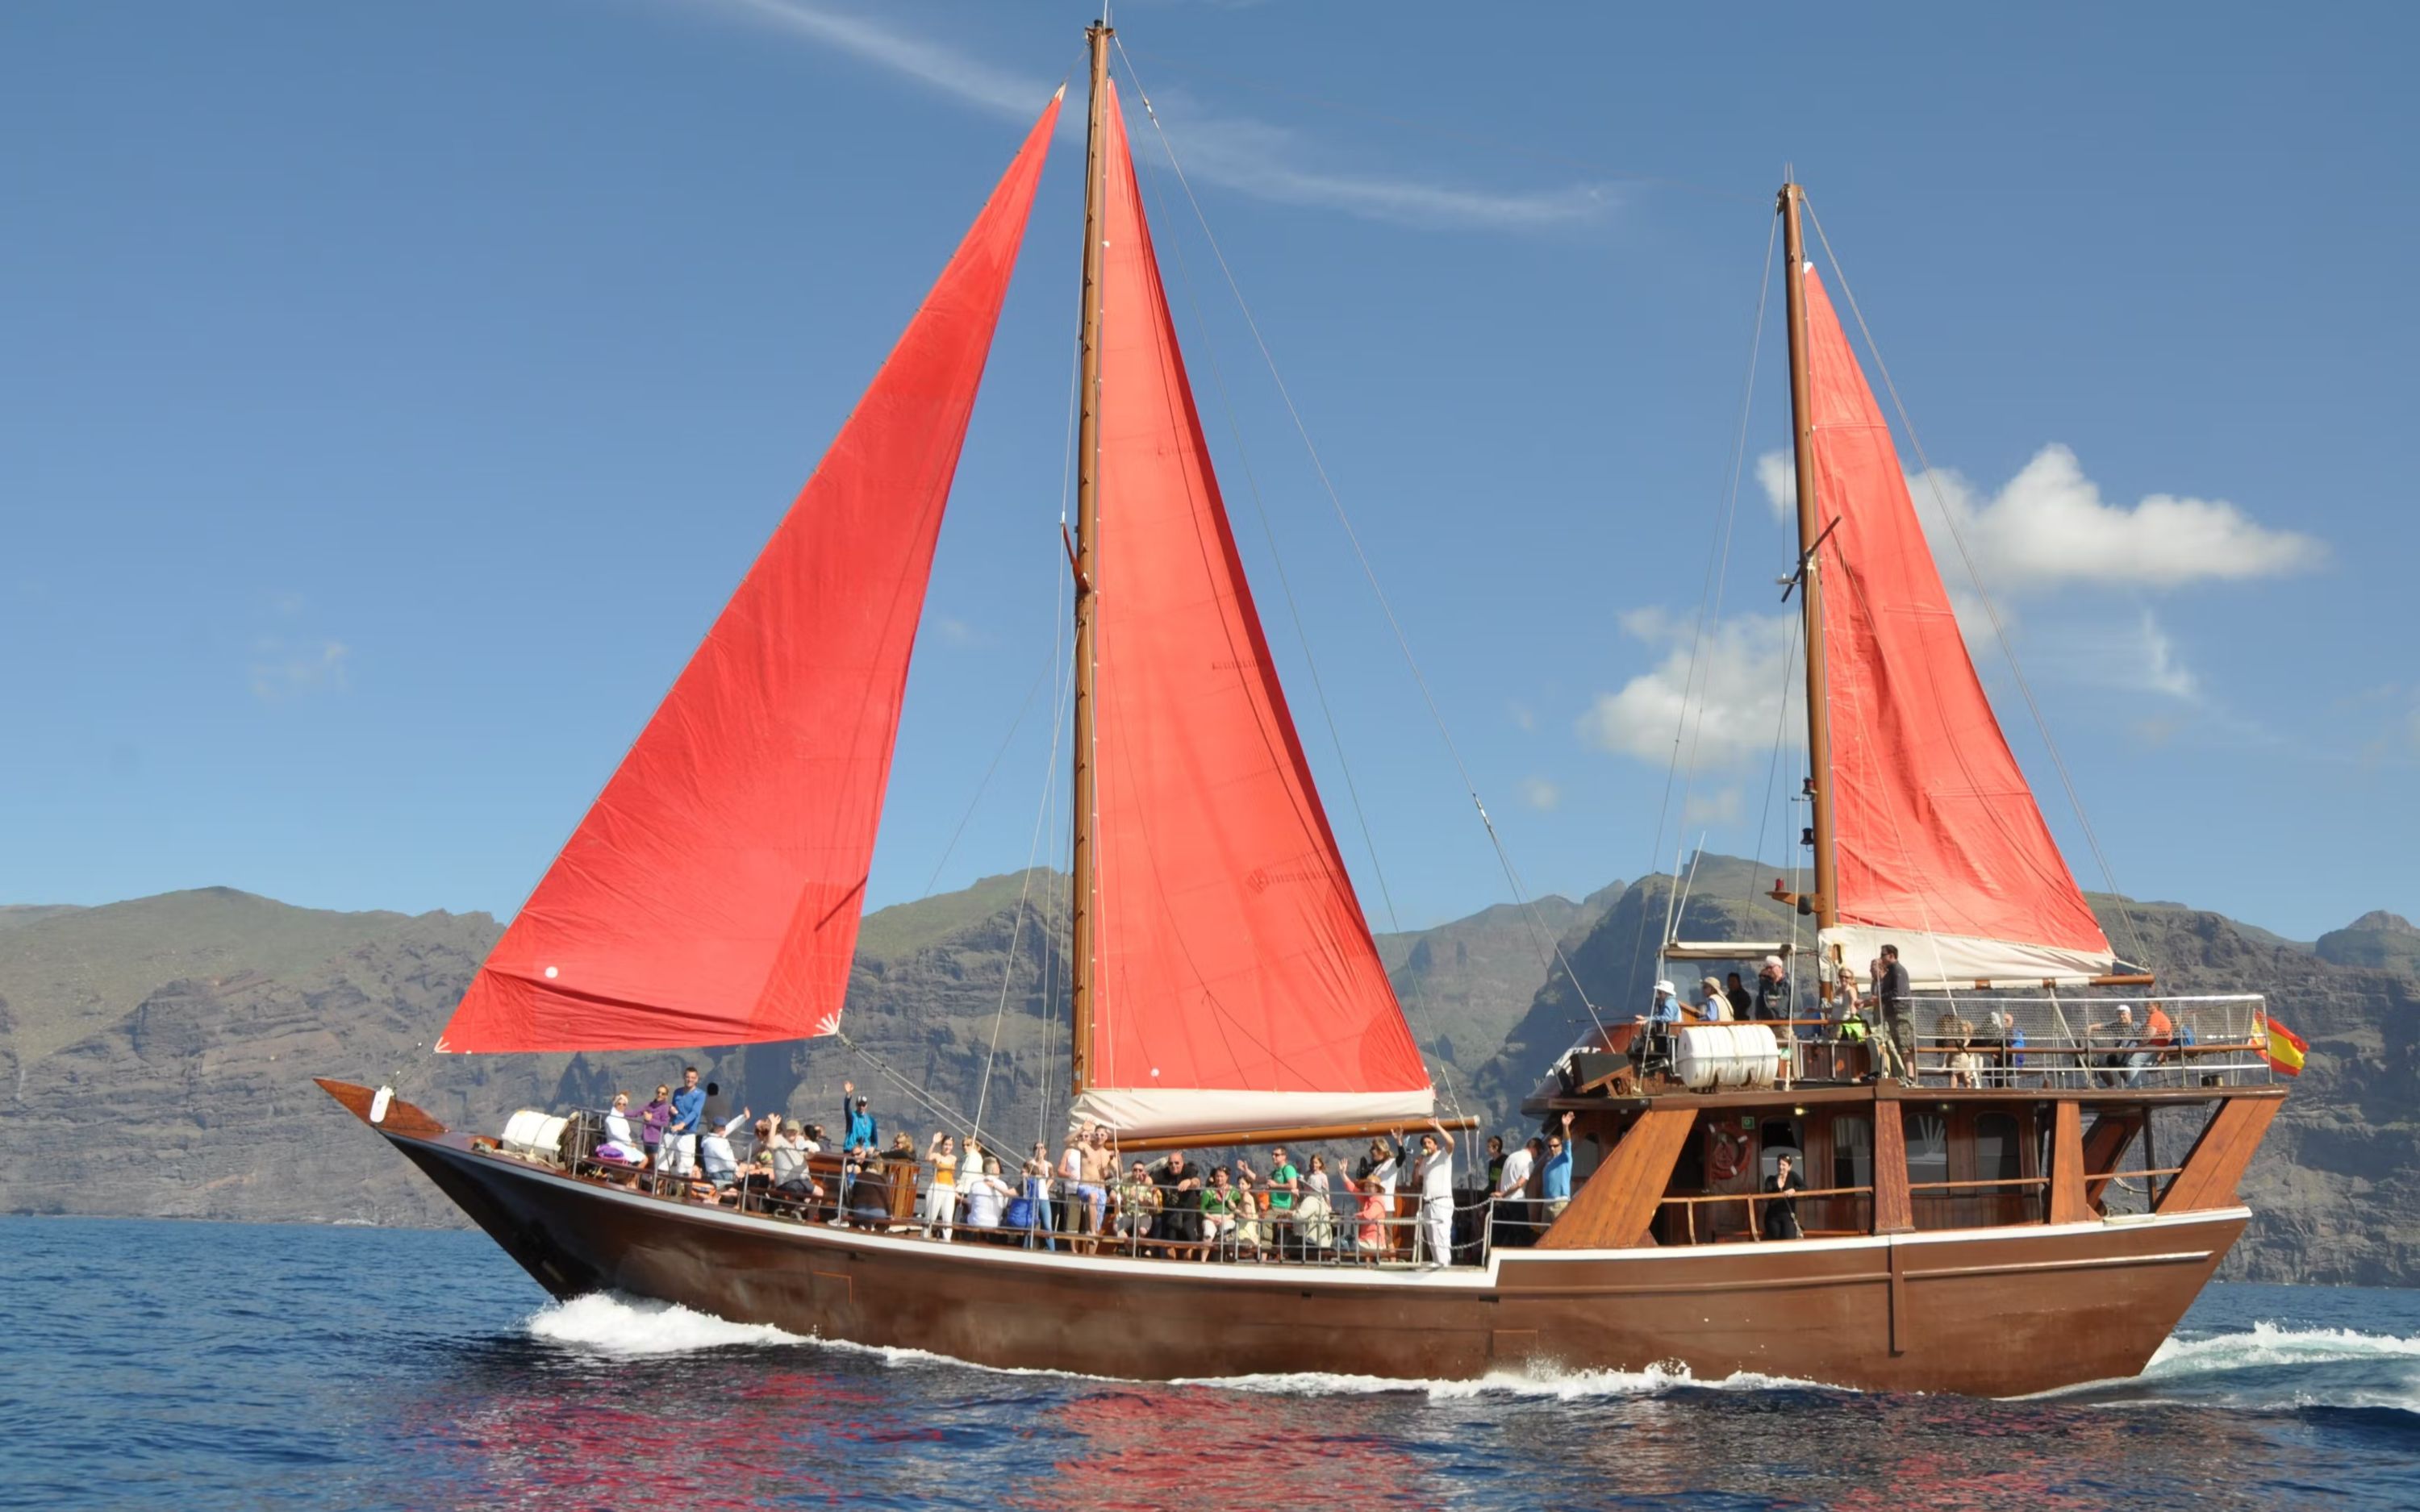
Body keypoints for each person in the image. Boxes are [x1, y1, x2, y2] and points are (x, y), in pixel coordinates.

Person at [1400, 1120, 1458, 1268]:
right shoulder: (1425, 1162)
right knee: (1431, 1237)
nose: (1426, 1145)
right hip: (1428, 1203)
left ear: (1435, 1144)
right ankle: (1438, 1262)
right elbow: (1416, 1181)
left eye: (1429, 1142)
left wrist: (1438, 1127)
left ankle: (1445, 1265)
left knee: (1441, 1235)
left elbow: (1451, 1143)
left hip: (1441, 1202)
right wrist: (1417, 1166)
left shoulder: (1443, 1155)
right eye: (1424, 1143)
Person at [1876, 944, 1915, 1081]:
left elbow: (1898, 992)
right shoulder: (1890, 973)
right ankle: (1907, 1075)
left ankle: (1910, 1076)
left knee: (1905, 1045)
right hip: (1893, 1014)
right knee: (1899, 1045)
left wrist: (1880, 998)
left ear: (1891, 955)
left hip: (1901, 1013)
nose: (1881, 958)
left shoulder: (1898, 971)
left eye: (1883, 955)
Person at [1151, 1152, 1204, 1252]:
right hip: (1171, 1215)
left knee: (1191, 1249)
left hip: (1188, 1216)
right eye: (1171, 1163)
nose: (1173, 1166)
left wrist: (1189, 1182)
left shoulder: (1188, 1170)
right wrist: (1146, 1183)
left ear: (1182, 1163)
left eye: (1177, 1163)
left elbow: (1197, 1182)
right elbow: (1150, 1179)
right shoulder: (1164, 1173)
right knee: (1170, 1248)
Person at [1493, 1132, 1538, 1247]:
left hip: (1505, 1202)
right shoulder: (1529, 1162)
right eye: (1538, 1152)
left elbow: (1499, 1179)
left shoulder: (1511, 1156)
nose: (1537, 1156)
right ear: (1533, 1149)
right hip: (1517, 1201)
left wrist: (1501, 1196)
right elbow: (1519, 1183)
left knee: (1508, 1233)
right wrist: (1503, 1194)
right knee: (1522, 1234)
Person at [664, 1066, 706, 1180]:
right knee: (663, 1161)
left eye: (692, 1077)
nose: (690, 1080)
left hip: (687, 1134)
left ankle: (682, 1188)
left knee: (685, 1166)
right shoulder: (677, 1092)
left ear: (697, 1079)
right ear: (684, 1077)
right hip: (673, 1131)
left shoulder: (700, 1095)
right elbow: (674, 1108)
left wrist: (682, 1124)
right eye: (687, 1077)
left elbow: (695, 1112)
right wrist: (671, 1109)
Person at [1113, 1162, 1161, 1251]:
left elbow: (1151, 1204)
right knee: (1117, 1228)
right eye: (1135, 1170)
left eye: (1140, 1170)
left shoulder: (1148, 1184)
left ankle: (1133, 1247)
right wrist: (1120, 1198)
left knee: (1143, 1231)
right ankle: (1129, 1245)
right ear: (1132, 1171)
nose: (1137, 1172)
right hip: (1127, 1213)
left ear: (1144, 1172)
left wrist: (1138, 1196)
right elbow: (1113, 1193)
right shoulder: (1125, 1181)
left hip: (1143, 1214)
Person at [962, 1156, 1013, 1238]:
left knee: (963, 1219)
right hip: (994, 1223)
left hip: (976, 1221)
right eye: (998, 1168)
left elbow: (970, 1204)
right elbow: (1004, 1206)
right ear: (994, 1170)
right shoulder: (1003, 1185)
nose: (1000, 1170)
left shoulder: (975, 1184)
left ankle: (966, 1241)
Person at [1760, 1152, 1806, 1240]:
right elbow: (1767, 1190)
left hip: (1788, 1216)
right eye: (1779, 1164)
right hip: (1773, 1216)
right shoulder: (1771, 1179)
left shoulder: (1793, 1176)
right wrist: (1778, 1180)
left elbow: (1804, 1187)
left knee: (1789, 1239)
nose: (1781, 1167)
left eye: (1784, 1165)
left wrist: (1794, 1190)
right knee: (1775, 1239)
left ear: (1789, 1167)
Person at [1539, 1111, 1575, 1224]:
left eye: (1555, 1146)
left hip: (1559, 1202)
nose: (1552, 1148)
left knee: (1559, 1229)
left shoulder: (1565, 1157)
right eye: (1550, 1146)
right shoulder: (1548, 1163)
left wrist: (1565, 1127)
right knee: (1544, 1232)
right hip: (1547, 1203)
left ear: (1561, 1146)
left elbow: (1567, 1142)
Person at [1297, 1154, 1337, 1253]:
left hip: (1319, 1202)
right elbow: (1305, 1189)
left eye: (1316, 1163)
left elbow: (1326, 1192)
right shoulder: (1309, 1175)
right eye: (1312, 1162)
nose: (1314, 1164)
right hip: (1309, 1201)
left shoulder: (1323, 1176)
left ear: (1320, 1164)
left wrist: (1329, 1205)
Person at [1266, 1145, 1300, 1257]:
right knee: (1267, 1231)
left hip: (1282, 1207)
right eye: (1272, 1154)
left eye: (1276, 1155)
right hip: (1273, 1206)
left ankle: (1266, 1258)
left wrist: (1276, 1185)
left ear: (1284, 1156)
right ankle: (1266, 1258)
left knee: (1267, 1230)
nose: (1273, 1157)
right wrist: (1247, 1171)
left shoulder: (1288, 1169)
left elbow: (1293, 1185)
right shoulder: (1276, 1172)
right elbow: (1259, 1179)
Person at [923, 1132, 958, 1239]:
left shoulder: (954, 1158)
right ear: (942, 1145)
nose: (948, 1147)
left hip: (949, 1189)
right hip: (937, 1186)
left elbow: (951, 1176)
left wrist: (955, 1190)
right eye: (946, 1144)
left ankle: (947, 1240)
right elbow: (927, 1158)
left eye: (950, 1145)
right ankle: (925, 1237)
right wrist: (934, 1143)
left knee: (948, 1217)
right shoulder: (937, 1156)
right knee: (931, 1216)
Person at [1198, 1167, 1239, 1258]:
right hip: (1211, 1218)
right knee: (1208, 1233)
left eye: (1222, 1176)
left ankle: (1228, 1259)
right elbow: (1202, 1209)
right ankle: (1203, 1261)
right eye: (1217, 1176)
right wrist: (1213, 1218)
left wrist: (1226, 1218)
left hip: (1227, 1218)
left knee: (1227, 1231)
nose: (1219, 1179)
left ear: (1227, 1177)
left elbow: (1238, 1209)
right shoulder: (1208, 1191)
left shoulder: (1234, 1191)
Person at [639, 1085, 674, 1168]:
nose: (660, 1095)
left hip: (656, 1141)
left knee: (654, 1164)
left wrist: (651, 1120)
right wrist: (621, 1113)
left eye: (663, 1093)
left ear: (666, 1096)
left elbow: (665, 1124)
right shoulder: (650, 1105)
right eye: (658, 1092)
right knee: (647, 1164)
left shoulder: (665, 1107)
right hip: (646, 1139)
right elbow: (637, 1112)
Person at [1754, 956, 1792, 1027]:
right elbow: (1760, 1004)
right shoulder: (1764, 985)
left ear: (1780, 967)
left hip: (1783, 1025)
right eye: (1767, 968)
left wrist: (1790, 1021)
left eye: (1771, 967)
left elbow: (1796, 1008)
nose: (1768, 970)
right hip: (1766, 1026)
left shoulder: (1789, 984)